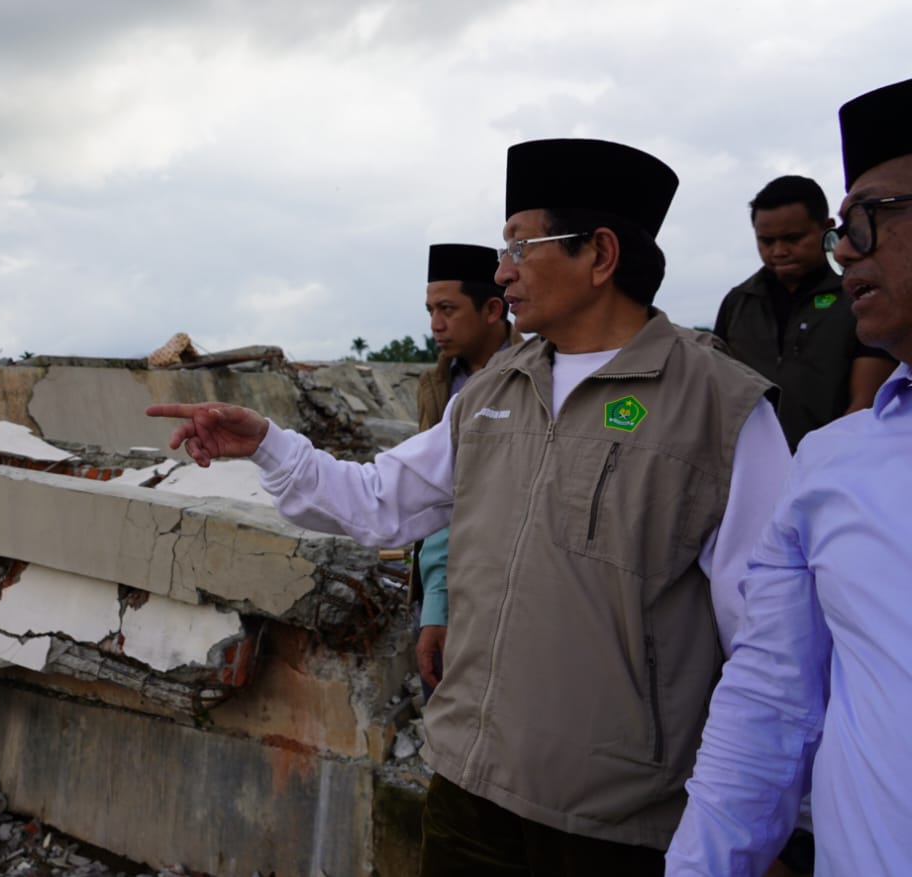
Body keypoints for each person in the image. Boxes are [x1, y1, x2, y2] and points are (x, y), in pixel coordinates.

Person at [148, 139, 792, 875]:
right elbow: (379, 502)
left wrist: (738, 834)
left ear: (601, 254)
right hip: (468, 788)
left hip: (618, 824)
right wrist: (267, 443)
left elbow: (776, 648)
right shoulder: (491, 392)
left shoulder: (721, 411)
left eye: (521, 243)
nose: (502, 270)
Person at [667, 78, 912, 875]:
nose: (849, 248)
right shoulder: (836, 470)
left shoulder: (841, 320)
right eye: (846, 228)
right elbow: (770, 699)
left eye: (868, 219)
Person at [715, 174, 895, 450]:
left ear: (828, 228)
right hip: (749, 468)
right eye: (766, 241)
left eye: (793, 238)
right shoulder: (738, 302)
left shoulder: (861, 297)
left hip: (836, 466)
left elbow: (866, 403)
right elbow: (717, 390)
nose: (779, 251)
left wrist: (817, 463)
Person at [411, 243, 520, 694]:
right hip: (442, 582)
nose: (436, 325)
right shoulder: (435, 384)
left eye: (448, 309)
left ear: (493, 308)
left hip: (506, 585)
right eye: (431, 310)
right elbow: (437, 492)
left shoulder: (532, 377)